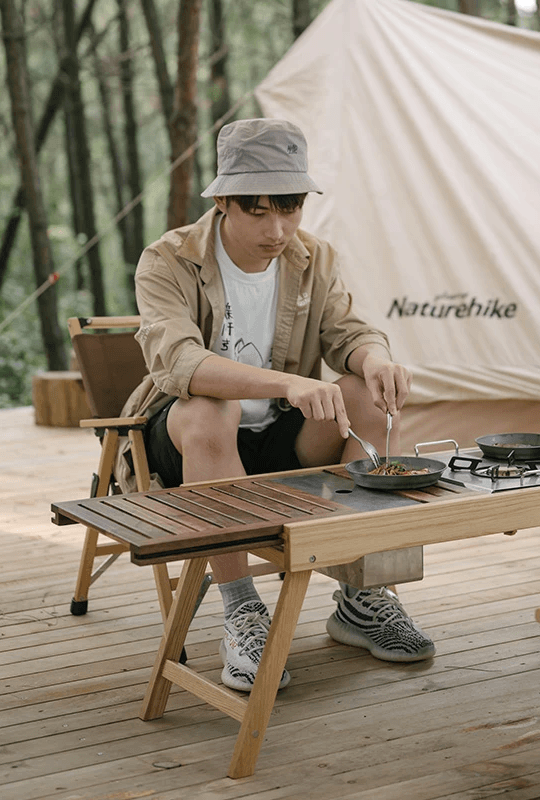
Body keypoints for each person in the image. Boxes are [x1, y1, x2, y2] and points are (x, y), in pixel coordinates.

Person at [116, 118, 434, 692]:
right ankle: (242, 611)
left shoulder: (314, 258)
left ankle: (361, 595)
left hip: (285, 440)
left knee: (365, 395)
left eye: (290, 209)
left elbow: (348, 333)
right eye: (259, 212)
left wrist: (376, 359)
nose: (278, 229)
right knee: (213, 409)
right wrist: (287, 384)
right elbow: (180, 363)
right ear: (222, 201)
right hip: (189, 443)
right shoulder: (168, 259)